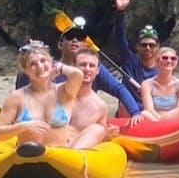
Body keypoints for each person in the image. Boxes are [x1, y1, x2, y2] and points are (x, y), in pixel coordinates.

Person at [15, 19, 145, 125]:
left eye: (80, 37)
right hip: (53, 120)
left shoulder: (93, 68)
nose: (75, 40)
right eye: (70, 37)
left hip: (83, 122)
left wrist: (135, 113)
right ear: (60, 45)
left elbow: (119, 89)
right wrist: (32, 53)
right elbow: (27, 92)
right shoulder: (46, 68)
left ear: (85, 45)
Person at [0, 42, 95, 148]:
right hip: (28, 155)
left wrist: (59, 67)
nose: (40, 67)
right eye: (33, 64)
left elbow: (77, 74)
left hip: (58, 154)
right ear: (25, 70)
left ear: (51, 62)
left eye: (43, 60)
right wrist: (23, 126)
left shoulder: (64, 92)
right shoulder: (17, 97)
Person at [112, 0, 162, 87]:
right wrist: (120, 12)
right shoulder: (129, 61)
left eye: (151, 45)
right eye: (144, 45)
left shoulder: (162, 67)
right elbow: (120, 38)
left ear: (158, 47)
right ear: (137, 46)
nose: (148, 48)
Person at [68, 49, 117, 146]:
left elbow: (99, 138)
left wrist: (108, 135)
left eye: (91, 66)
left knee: (98, 129)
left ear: (97, 70)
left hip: (74, 150)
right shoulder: (56, 92)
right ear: (73, 67)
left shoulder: (100, 106)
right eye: (83, 65)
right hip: (48, 147)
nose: (87, 69)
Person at [139, 46, 179, 120]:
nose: (169, 61)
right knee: (145, 113)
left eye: (173, 58)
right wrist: (162, 121)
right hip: (155, 120)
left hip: (175, 121)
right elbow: (149, 109)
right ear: (157, 61)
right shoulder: (146, 84)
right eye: (164, 58)